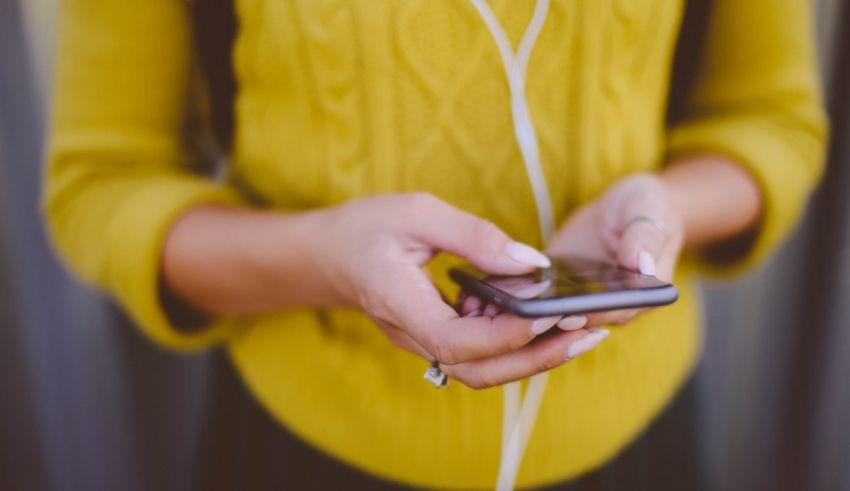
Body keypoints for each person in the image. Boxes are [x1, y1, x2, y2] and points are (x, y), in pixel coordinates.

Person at [44, 0, 826, 489]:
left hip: (635, 445)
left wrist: (667, 209)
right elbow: (106, 179)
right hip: (308, 444)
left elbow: (769, 118)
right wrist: (327, 259)